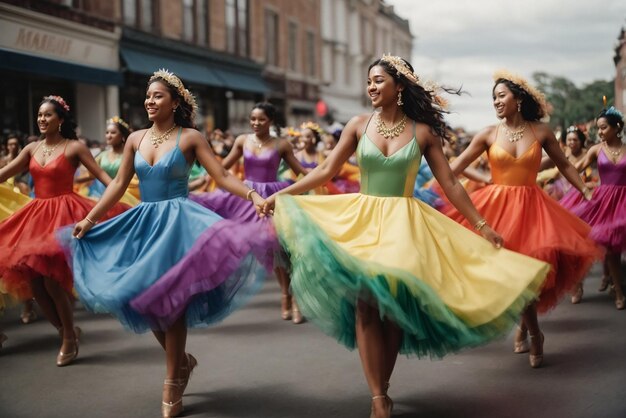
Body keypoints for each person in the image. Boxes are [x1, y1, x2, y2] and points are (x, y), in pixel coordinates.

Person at [262, 55, 549, 418]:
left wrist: (482, 225)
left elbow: (451, 184)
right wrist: (281, 195)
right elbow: (325, 170)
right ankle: (378, 397)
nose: (371, 87)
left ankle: (383, 384)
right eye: (369, 81)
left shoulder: (423, 132)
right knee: (366, 304)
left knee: (393, 310)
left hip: (405, 226)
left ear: (399, 87)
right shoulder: (357, 125)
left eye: (378, 80)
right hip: (362, 221)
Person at [63, 70, 274, 417]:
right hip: (145, 223)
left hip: (179, 225)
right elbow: (117, 184)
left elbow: (220, 176)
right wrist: (90, 218)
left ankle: (172, 379)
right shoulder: (135, 139)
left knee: (172, 303)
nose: (150, 101)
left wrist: (251, 194)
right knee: (143, 301)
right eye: (148, 96)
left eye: (158, 96)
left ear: (175, 102)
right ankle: (182, 363)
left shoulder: (190, 138)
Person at [443, 70, 602, 368]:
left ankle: (531, 331)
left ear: (518, 99)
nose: (496, 101)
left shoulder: (541, 132)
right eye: (493, 98)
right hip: (498, 208)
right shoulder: (488, 134)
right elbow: (456, 167)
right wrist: (488, 179)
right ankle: (532, 331)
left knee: (527, 275)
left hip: (532, 209)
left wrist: (584, 190)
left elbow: (565, 164)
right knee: (511, 275)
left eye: (502, 95)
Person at [0, 95, 127, 366]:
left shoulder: (75, 147)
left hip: (65, 215)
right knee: (35, 285)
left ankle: (69, 337)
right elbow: (5, 171)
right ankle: (65, 330)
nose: (42, 119)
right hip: (36, 216)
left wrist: (121, 196)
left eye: (47, 115)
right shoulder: (31, 148)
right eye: (39, 115)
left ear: (60, 119)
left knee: (52, 282)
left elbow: (106, 179)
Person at [189, 102, 310, 324]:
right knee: (262, 247)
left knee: (283, 249)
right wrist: (202, 180)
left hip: (273, 198)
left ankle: (293, 298)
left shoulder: (281, 145)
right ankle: (285, 295)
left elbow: (300, 171)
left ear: (270, 121)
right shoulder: (242, 140)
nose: (255, 123)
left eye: (261, 119)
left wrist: (317, 178)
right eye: (252, 119)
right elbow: (222, 169)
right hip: (248, 197)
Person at [565, 106, 626, 309]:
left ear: (617, 127)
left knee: (615, 252)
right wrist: (585, 187)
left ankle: (616, 287)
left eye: (603, 128)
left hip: (623, 201)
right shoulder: (596, 150)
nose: (599, 132)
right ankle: (618, 292)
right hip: (602, 202)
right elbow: (573, 170)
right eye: (598, 129)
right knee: (607, 250)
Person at [74, 116, 140, 206]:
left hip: (125, 195)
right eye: (107, 132)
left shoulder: (130, 154)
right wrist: (73, 180)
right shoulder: (102, 155)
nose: (109, 136)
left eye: (113, 133)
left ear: (122, 136)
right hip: (103, 195)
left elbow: (137, 177)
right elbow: (91, 175)